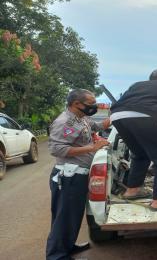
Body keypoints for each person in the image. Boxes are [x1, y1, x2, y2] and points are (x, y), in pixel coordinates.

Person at [47, 89, 111, 260]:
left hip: (79, 176)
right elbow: (57, 149)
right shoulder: (65, 122)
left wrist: (117, 115)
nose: (94, 106)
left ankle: (68, 246)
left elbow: (96, 126)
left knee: (73, 216)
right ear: (77, 104)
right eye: (91, 103)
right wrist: (92, 148)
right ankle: (57, 256)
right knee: (64, 217)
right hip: (69, 177)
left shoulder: (82, 118)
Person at [110, 69, 157, 210]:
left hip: (116, 116)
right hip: (142, 115)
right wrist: (153, 121)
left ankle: (132, 190)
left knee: (140, 155)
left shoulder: (137, 85)